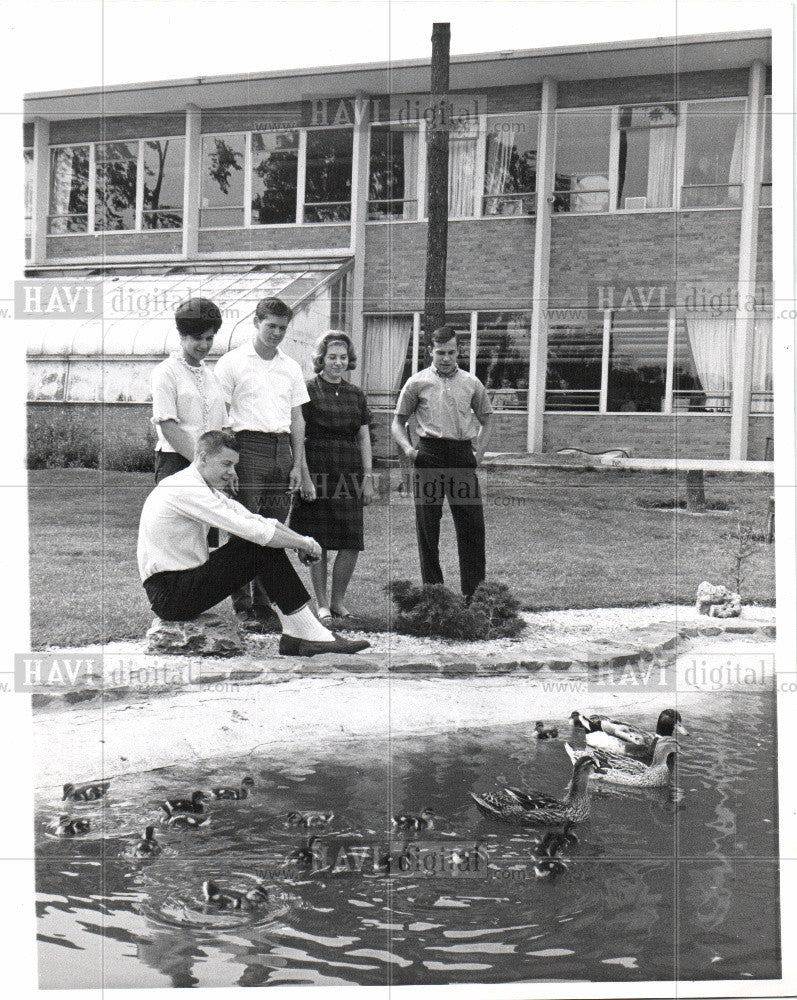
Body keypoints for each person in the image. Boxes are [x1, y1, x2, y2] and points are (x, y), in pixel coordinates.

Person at [137, 429, 370, 657]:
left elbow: (256, 519)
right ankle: (308, 634)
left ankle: (299, 634)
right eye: (226, 464)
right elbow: (252, 531)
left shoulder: (200, 486)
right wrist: (302, 543)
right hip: (170, 594)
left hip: (181, 584)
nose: (231, 472)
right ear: (203, 457)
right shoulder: (186, 488)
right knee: (256, 546)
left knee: (260, 544)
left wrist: (301, 541)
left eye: (234, 465)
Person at [213, 297, 311, 633]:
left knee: (273, 528)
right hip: (247, 447)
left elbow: (297, 418)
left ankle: (264, 605)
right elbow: (220, 416)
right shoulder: (232, 362)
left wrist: (298, 464)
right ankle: (242, 607)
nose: (277, 333)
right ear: (256, 322)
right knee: (243, 527)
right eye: (271, 326)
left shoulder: (291, 367)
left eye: (283, 328)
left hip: (281, 450)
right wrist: (230, 462)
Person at [392, 325, 494, 600]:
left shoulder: (472, 383)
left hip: (462, 457)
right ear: (430, 352)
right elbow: (397, 422)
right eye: (440, 353)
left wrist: (479, 455)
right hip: (429, 456)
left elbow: (487, 419)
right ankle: (433, 594)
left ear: (458, 351)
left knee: (472, 527)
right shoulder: (417, 383)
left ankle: (474, 596)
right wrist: (409, 450)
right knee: (428, 527)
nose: (446, 358)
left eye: (451, 352)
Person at [289, 331, 375, 621]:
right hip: (317, 466)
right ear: (321, 359)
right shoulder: (308, 389)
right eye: (331, 357)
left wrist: (368, 476)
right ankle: (322, 603)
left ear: (348, 359)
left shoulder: (356, 395)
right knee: (318, 540)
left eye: (342, 357)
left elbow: (364, 438)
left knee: (351, 540)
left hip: (348, 469)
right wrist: (305, 476)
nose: (337, 362)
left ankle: (338, 601)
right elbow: (298, 436)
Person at [150, 297, 230, 483]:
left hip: (210, 465)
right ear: (182, 336)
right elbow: (169, 427)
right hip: (176, 462)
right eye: (197, 338)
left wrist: (222, 466)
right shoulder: (166, 372)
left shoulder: (211, 377)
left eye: (209, 338)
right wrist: (201, 464)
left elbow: (222, 428)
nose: (204, 345)